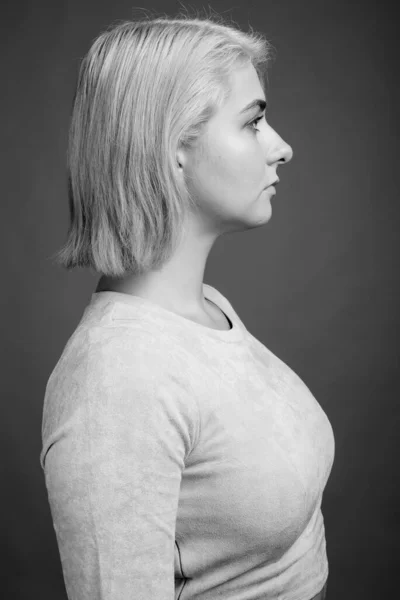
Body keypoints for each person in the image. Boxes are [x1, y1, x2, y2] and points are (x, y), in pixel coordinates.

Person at [40, 10, 334, 600]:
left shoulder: (205, 309)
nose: (282, 148)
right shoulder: (117, 379)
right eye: (252, 123)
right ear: (172, 146)